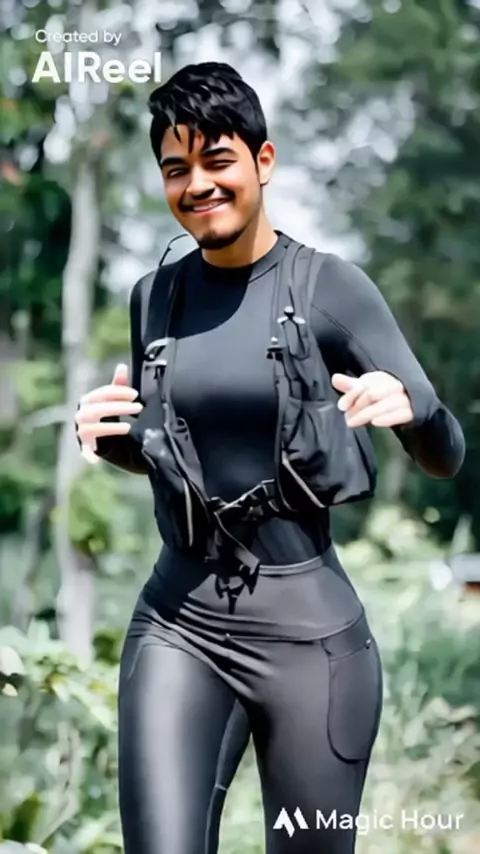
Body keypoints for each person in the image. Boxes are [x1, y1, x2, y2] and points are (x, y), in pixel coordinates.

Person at [74, 62, 465, 854]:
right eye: (176, 169)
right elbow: (182, 460)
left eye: (217, 161)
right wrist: (116, 439)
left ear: (264, 161)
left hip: (311, 645)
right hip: (177, 625)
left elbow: (445, 454)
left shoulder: (331, 289)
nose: (197, 186)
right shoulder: (156, 298)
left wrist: (416, 411)